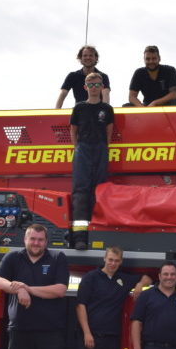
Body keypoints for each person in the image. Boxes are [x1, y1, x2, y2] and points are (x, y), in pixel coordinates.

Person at [69, 72, 115, 250]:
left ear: (102, 87)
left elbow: (109, 131)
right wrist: (77, 148)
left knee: (100, 191)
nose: (94, 88)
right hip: (83, 150)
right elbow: (73, 130)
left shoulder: (107, 109)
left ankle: (97, 234)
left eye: (97, 85)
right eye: (91, 85)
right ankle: (80, 237)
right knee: (81, 193)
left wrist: (104, 148)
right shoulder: (79, 108)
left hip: (101, 149)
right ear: (85, 87)